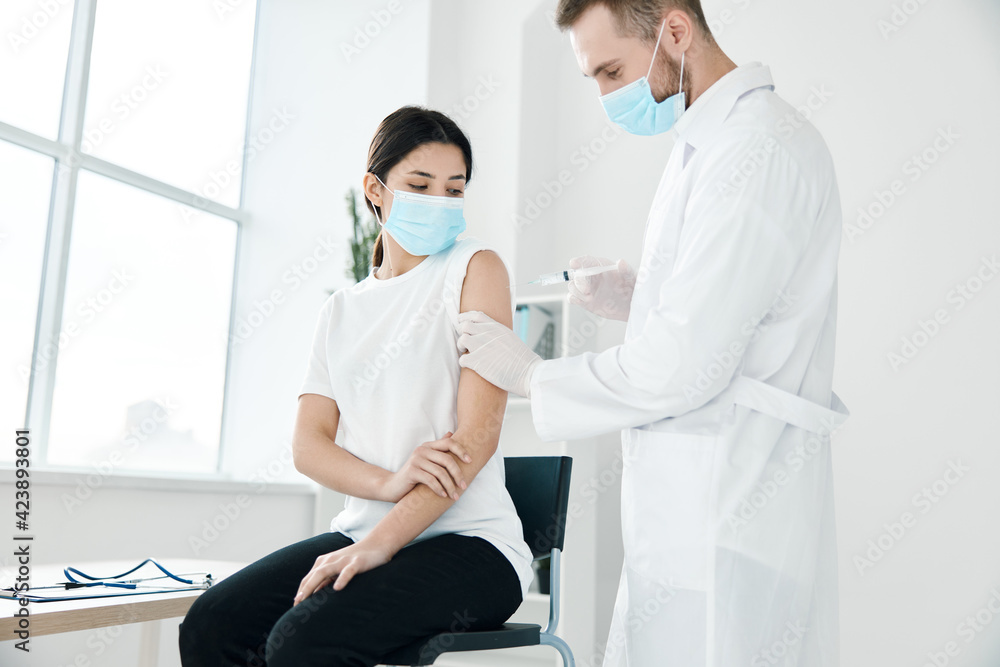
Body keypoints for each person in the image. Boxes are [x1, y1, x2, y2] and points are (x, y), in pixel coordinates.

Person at [455, 1, 849, 666]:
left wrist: (532, 375)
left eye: (611, 71)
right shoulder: (709, 144)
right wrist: (644, 298)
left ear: (674, 31)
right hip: (694, 514)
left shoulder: (755, 149)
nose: (608, 96)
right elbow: (733, 311)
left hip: (729, 511)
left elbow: (684, 365)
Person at [178, 106, 533, 667]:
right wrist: (388, 484)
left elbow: (476, 438)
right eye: (419, 185)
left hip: (474, 547)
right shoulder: (342, 310)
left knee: (303, 643)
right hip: (363, 531)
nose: (439, 201)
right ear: (376, 188)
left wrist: (380, 544)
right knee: (213, 625)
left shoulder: (475, 268)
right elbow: (309, 445)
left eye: (454, 189)